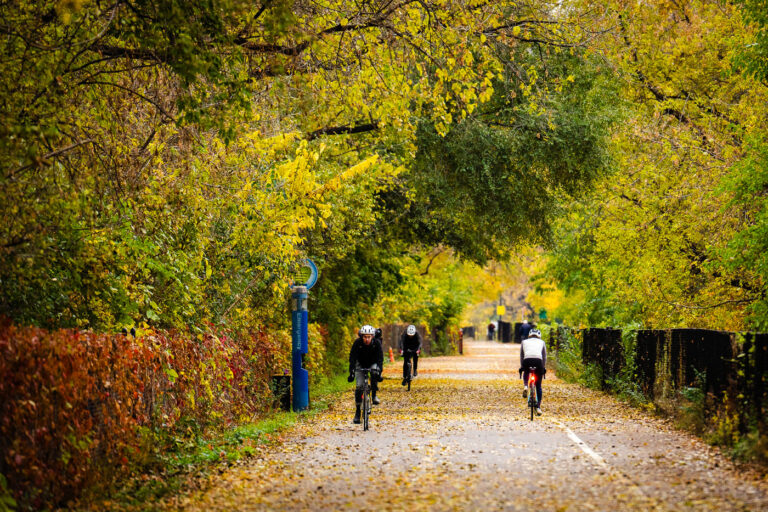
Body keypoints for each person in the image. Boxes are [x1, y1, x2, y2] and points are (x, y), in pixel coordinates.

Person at [348, 324, 384, 424]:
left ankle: (374, 396)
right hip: (360, 364)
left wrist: (379, 371)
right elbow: (352, 358)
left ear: (372, 336)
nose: (367, 339)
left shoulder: (376, 343)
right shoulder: (357, 343)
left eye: (369, 337)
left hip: (372, 362)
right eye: (365, 337)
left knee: (374, 373)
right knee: (359, 386)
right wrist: (351, 372)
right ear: (361, 336)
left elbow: (380, 358)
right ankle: (358, 411)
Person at [519, 328, 546, 415]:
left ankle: (526, 386)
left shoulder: (524, 342)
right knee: (538, 386)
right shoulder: (542, 342)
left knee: (526, 371)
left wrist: (522, 366)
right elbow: (544, 356)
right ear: (539, 335)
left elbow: (522, 355)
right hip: (538, 361)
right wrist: (543, 367)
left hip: (527, 360)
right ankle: (538, 407)